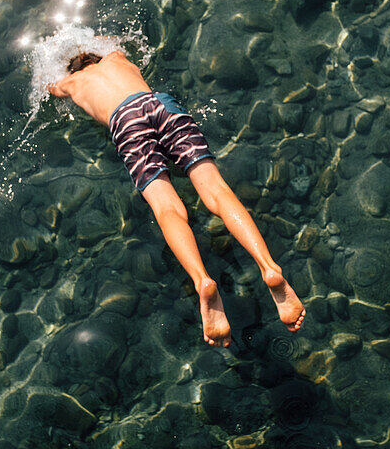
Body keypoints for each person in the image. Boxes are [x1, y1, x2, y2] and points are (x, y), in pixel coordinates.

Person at [47, 47, 306, 347]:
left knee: (167, 207)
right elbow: (114, 45)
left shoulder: (73, 83)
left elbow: (51, 88)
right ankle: (269, 267)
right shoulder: (117, 57)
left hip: (125, 122)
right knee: (216, 190)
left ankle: (202, 281)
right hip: (158, 104)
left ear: (76, 71)